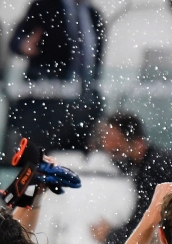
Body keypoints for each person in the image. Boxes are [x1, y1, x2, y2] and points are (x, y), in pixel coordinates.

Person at [8, 0, 105, 153]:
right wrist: (24, 45)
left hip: (82, 98)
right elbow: (15, 42)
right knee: (43, 156)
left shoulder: (93, 14)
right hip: (47, 98)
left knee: (77, 154)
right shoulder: (44, 6)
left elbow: (95, 58)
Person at [92, 112, 172, 244]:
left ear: (138, 143)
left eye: (115, 142)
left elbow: (144, 226)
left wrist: (110, 236)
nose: (108, 147)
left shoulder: (154, 169)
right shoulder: (151, 162)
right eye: (104, 139)